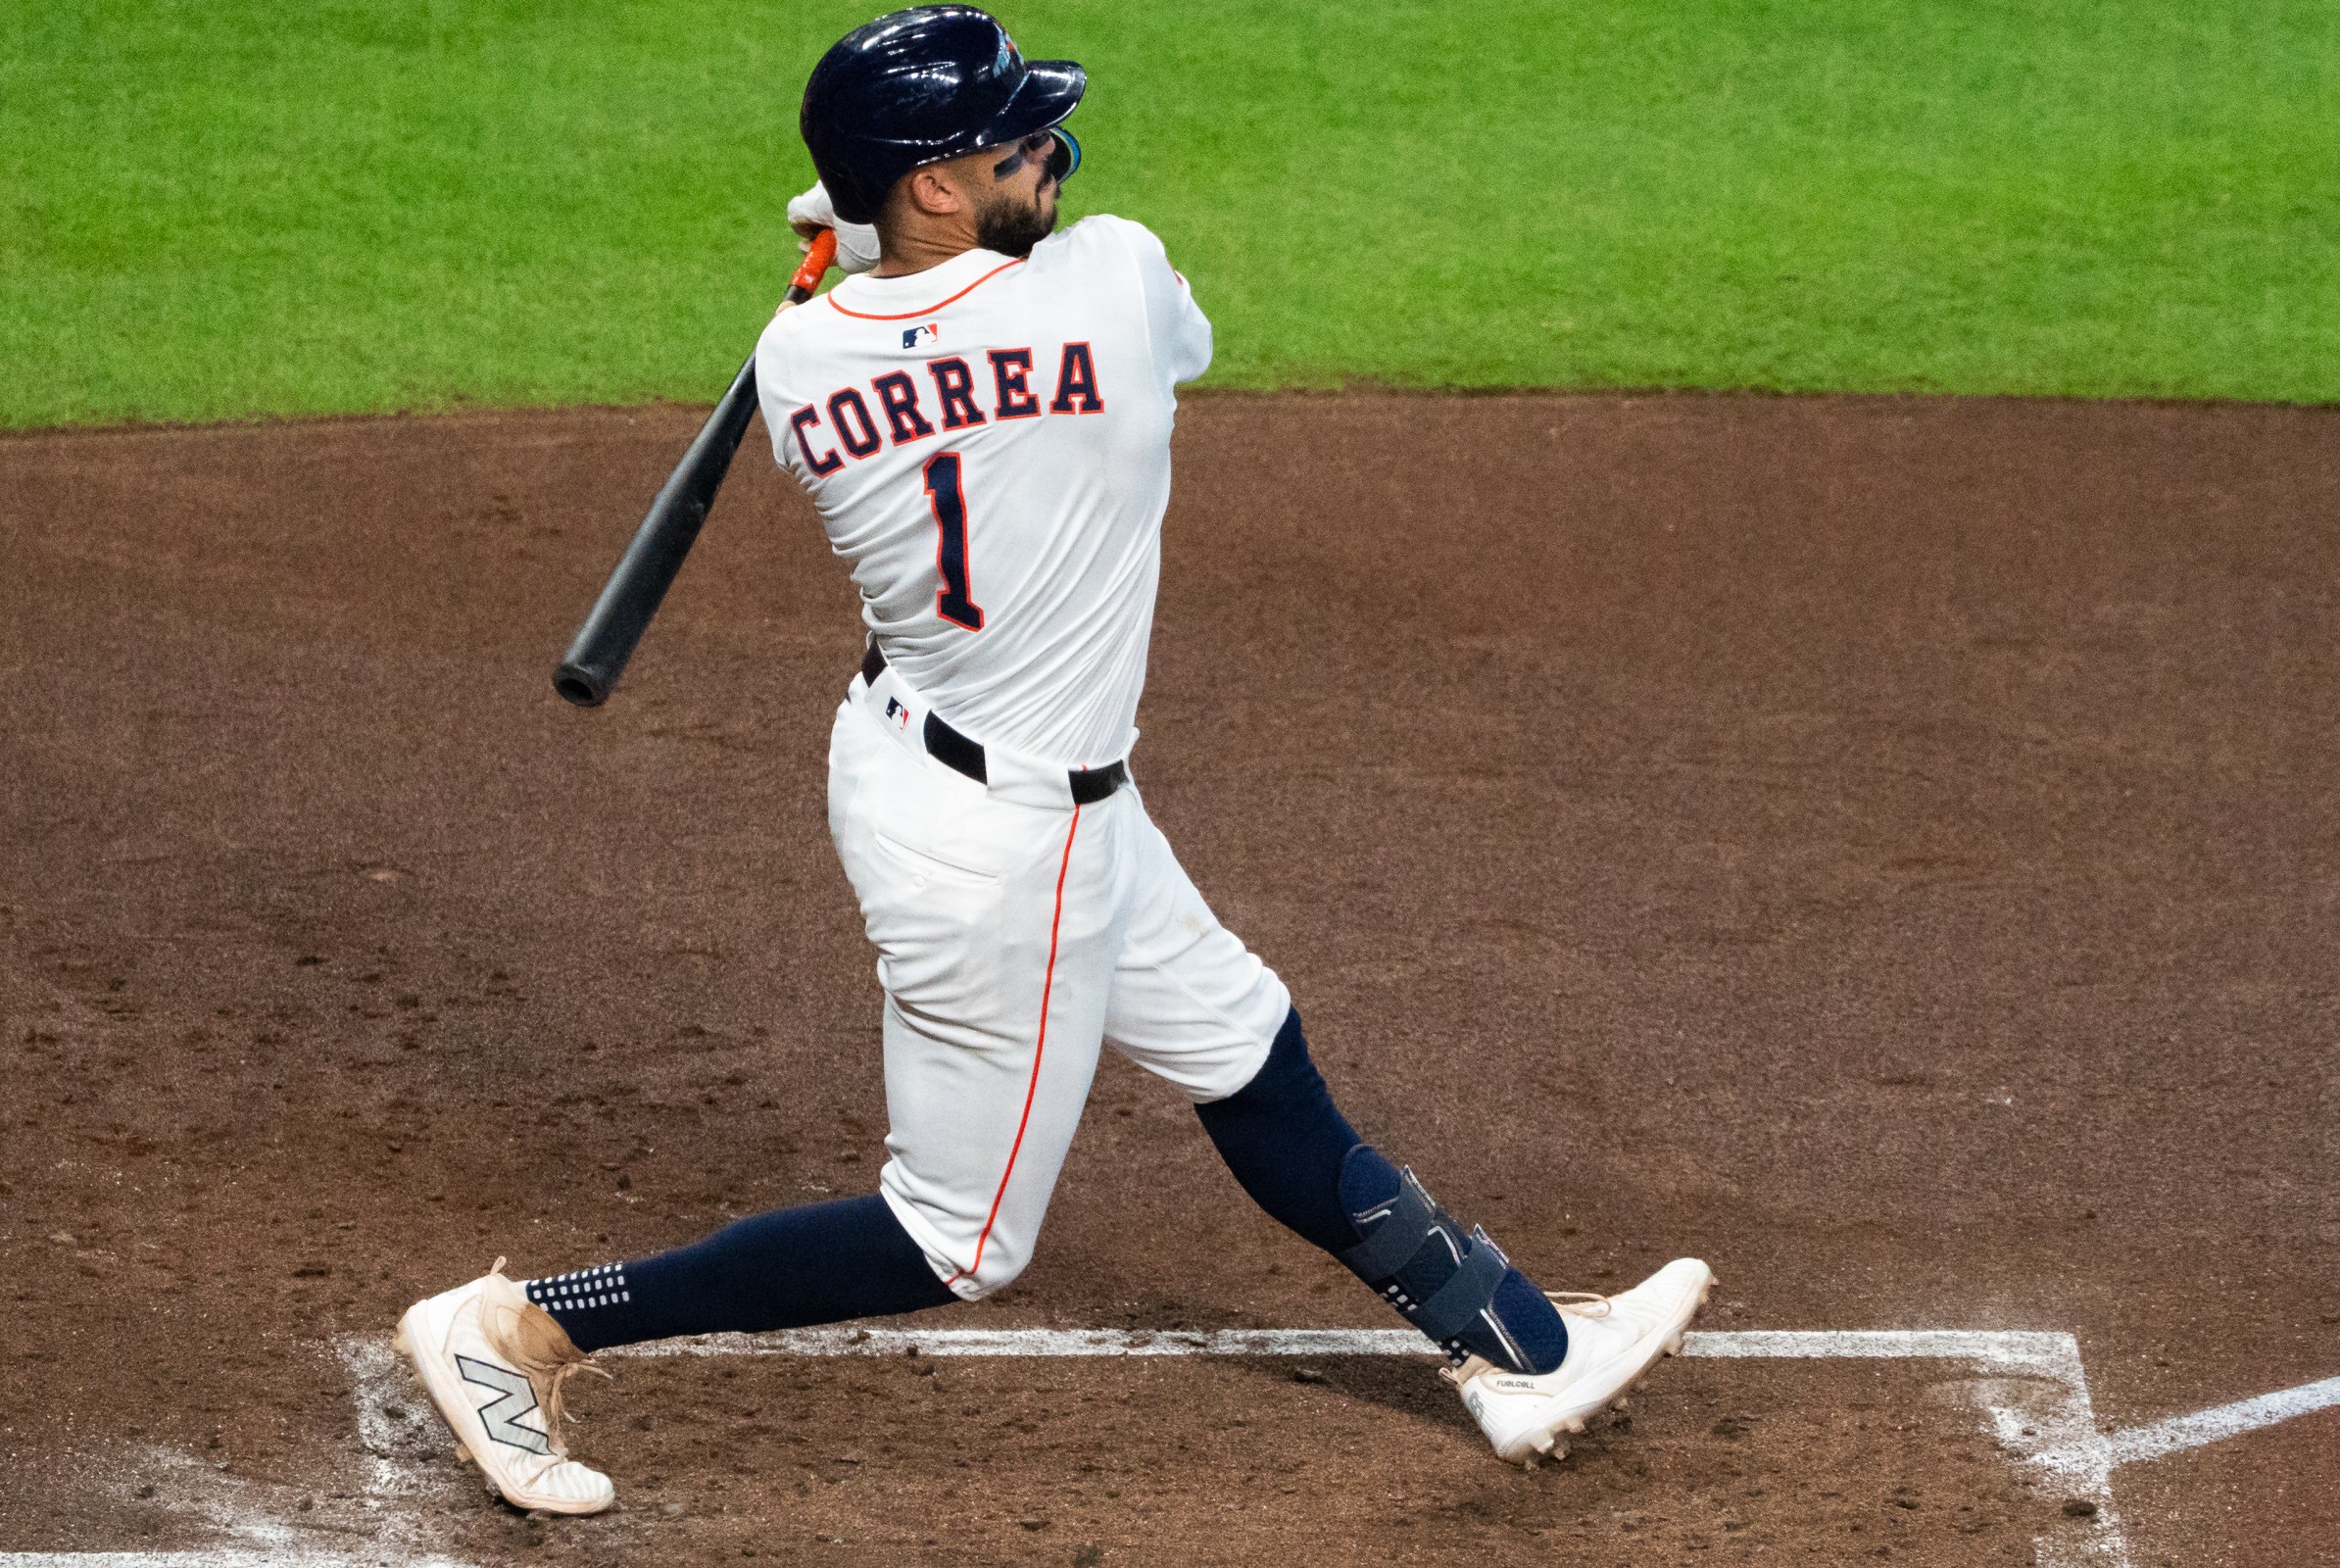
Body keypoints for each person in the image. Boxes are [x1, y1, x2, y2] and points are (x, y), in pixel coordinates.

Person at [393, 5, 1711, 1516]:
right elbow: (1057, 283)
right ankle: (517, 1330)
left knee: (1243, 1047)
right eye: (1016, 140)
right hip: (1001, 851)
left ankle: (1524, 1347)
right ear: (935, 185)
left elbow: (922, 292)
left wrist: (866, 222)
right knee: (952, 1239)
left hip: (942, 761)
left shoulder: (802, 363)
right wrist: (869, 216)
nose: (1053, 153)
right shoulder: (1116, 284)